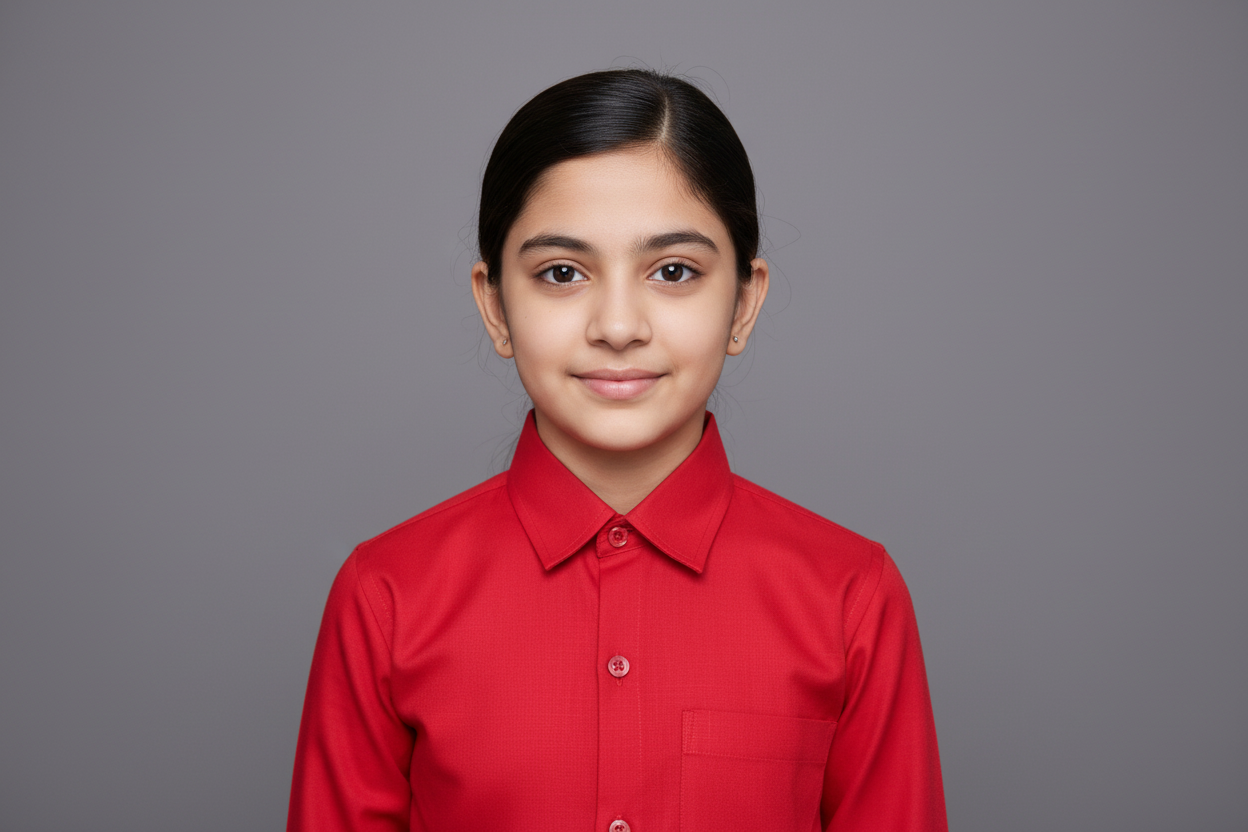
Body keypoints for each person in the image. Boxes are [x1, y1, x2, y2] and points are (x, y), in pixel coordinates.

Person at [288, 68, 947, 832]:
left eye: (674, 271)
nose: (619, 327)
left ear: (743, 302)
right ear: (496, 306)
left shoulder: (851, 598)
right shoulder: (387, 597)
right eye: (562, 273)